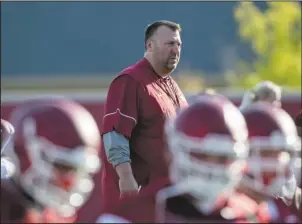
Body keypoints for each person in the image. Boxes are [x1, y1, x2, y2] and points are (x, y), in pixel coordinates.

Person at [97, 95, 262, 223]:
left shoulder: (252, 214)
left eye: (222, 158)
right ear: (173, 151)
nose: (212, 167)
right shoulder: (131, 216)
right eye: (202, 156)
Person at [100, 20, 188, 210]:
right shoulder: (130, 80)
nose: (176, 50)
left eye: (178, 44)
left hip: (165, 199)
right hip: (136, 201)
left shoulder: (171, 85)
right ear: (150, 45)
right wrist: (126, 179)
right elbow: (115, 135)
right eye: (169, 44)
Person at [1, 98, 101, 223]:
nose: (70, 182)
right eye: (63, 166)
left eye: (78, 170)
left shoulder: (49, 217)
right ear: (26, 155)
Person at [238, 102, 301, 222]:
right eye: (266, 152)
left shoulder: (293, 206)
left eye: (281, 152)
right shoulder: (221, 211)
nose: (277, 161)